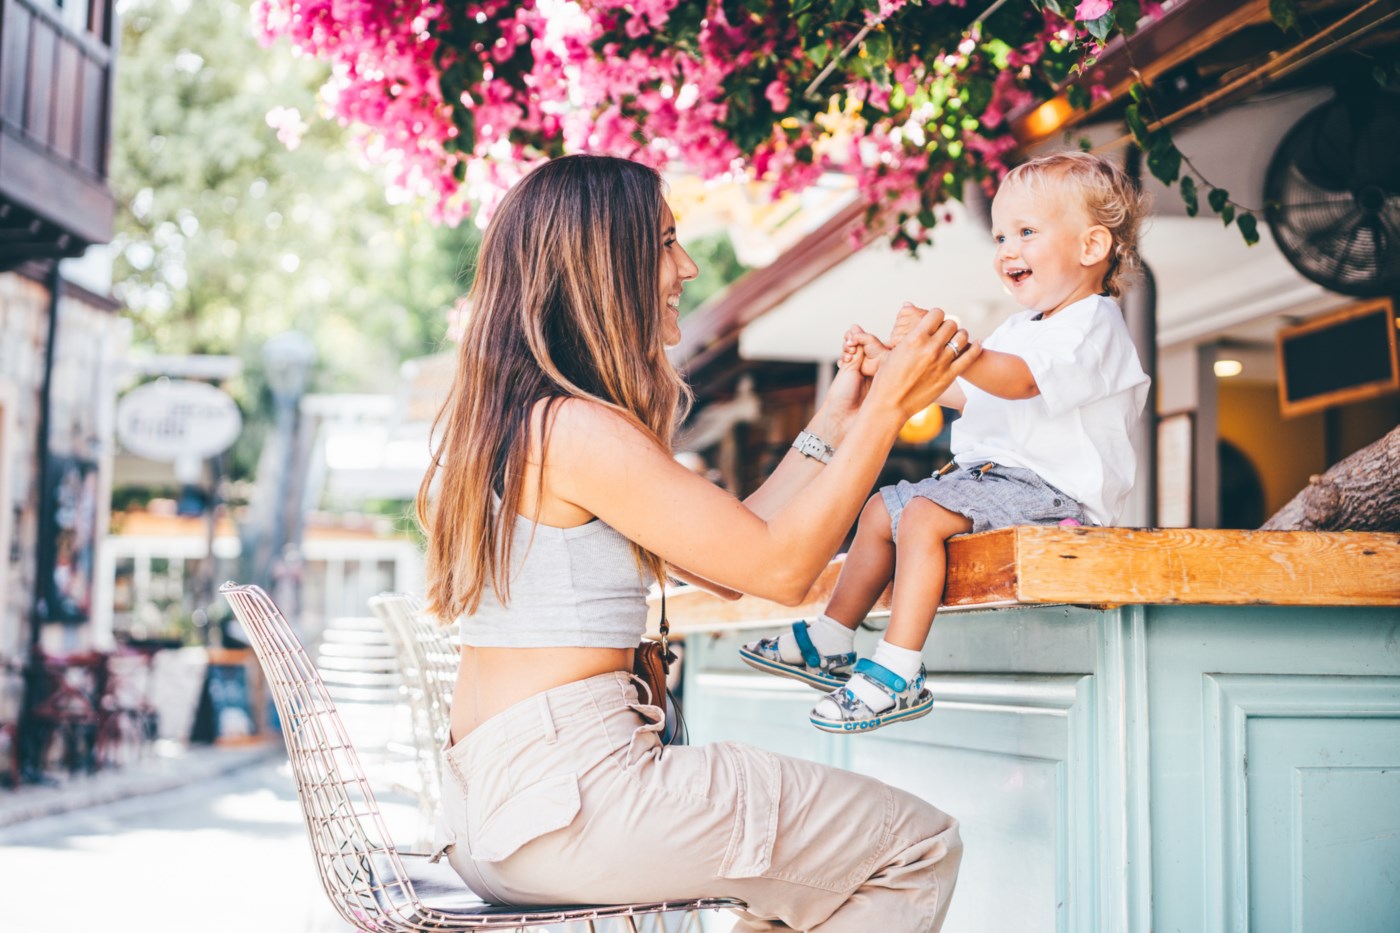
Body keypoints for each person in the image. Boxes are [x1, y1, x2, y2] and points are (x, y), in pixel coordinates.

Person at [416, 154, 973, 931]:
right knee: (913, 845)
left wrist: (836, 423)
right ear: (607, 267)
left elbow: (728, 559)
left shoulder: (530, 423)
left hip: (511, 811)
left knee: (817, 874)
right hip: (574, 802)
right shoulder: (575, 428)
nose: (688, 265)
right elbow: (778, 571)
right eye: (667, 242)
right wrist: (890, 409)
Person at [741, 150, 1151, 734]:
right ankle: (832, 638)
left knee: (924, 518)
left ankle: (898, 668)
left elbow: (1018, 380)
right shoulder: (1021, 328)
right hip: (993, 482)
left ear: (1090, 248)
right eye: (1002, 234)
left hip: (1056, 495)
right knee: (882, 509)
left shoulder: (1093, 323)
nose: (1008, 249)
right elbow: (967, 393)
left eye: (1027, 232)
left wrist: (950, 347)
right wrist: (896, 365)